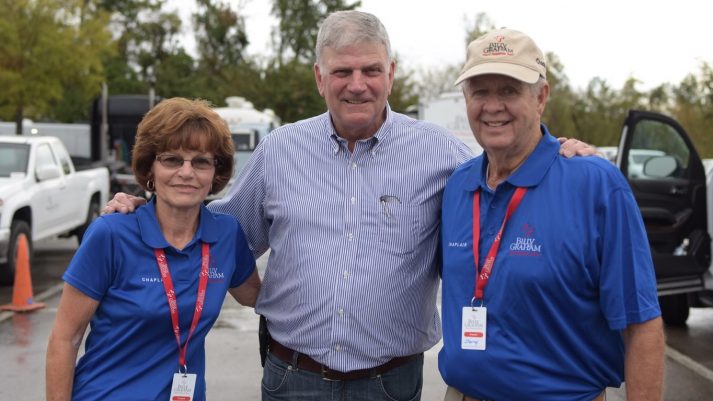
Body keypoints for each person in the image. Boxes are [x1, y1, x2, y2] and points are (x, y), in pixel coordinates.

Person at [104, 11, 594, 401]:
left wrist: (560, 154)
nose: (357, 84)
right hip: (292, 377)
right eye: (342, 71)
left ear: (391, 74)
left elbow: (508, 177)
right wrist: (146, 207)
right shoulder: (280, 150)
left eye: (370, 70)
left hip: (391, 384)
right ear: (320, 78)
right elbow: (213, 234)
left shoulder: (443, 154)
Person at [438, 29, 665, 401]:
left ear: (541, 97)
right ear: (466, 99)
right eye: (480, 91)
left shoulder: (595, 185)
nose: (493, 106)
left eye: (510, 90)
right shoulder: (458, 186)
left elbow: (641, 323)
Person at [46, 97, 261, 401]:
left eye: (201, 161)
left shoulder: (227, 235)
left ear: (216, 171)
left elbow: (262, 297)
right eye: (172, 159)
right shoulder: (111, 233)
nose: (186, 172)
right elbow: (64, 339)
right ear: (150, 167)